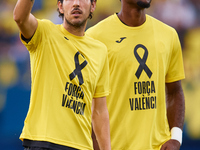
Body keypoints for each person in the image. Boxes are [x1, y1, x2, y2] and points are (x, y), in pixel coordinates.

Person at [86, 0, 185, 150]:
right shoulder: (94, 36)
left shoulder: (168, 35)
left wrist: (176, 139)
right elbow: (86, 99)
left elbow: (174, 91)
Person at [13, 0, 111, 150]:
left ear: (93, 6)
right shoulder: (44, 32)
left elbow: (99, 111)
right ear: (60, 6)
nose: (76, 3)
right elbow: (19, 17)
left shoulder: (100, 51)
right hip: (43, 141)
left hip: (81, 145)